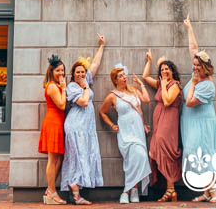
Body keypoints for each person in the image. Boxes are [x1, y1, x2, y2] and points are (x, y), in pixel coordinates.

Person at [61, 34, 106, 203]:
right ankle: (74, 188)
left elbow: (95, 64)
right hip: (75, 126)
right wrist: (86, 87)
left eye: (83, 71)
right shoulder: (72, 87)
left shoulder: (86, 80)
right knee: (77, 156)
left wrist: (101, 46)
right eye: (77, 72)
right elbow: (84, 102)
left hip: (86, 127)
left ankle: (77, 192)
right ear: (73, 74)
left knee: (84, 155)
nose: (81, 74)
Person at [99, 64, 151, 204]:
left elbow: (146, 99)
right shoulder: (112, 96)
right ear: (115, 80)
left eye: (124, 75)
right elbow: (102, 112)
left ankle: (131, 190)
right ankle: (128, 191)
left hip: (138, 130)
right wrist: (112, 125)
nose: (124, 77)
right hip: (125, 131)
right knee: (132, 159)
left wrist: (141, 84)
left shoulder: (133, 90)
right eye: (120, 76)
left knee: (139, 157)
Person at [181, 16, 216, 204]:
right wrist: (189, 28)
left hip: (202, 123)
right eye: (194, 65)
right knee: (194, 154)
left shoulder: (207, 85)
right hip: (190, 121)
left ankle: (215, 191)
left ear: (206, 68)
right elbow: (194, 49)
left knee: (201, 154)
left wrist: (194, 83)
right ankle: (206, 192)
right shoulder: (196, 73)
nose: (195, 68)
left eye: (198, 66)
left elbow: (189, 102)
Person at [142, 48, 182, 202]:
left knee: (165, 151)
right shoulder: (160, 84)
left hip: (169, 120)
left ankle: (170, 190)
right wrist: (150, 62)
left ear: (172, 71)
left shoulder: (174, 85)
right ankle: (170, 190)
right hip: (159, 120)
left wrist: (164, 83)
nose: (164, 71)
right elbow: (145, 77)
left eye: (167, 69)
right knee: (154, 153)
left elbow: (167, 101)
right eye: (162, 69)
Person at [39, 54, 67, 205]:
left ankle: (49, 190)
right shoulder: (52, 86)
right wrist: (64, 89)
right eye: (58, 71)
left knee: (59, 158)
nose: (61, 73)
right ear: (51, 72)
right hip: (53, 122)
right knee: (52, 159)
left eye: (62, 70)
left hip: (57, 122)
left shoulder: (55, 85)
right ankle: (52, 192)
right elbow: (61, 105)